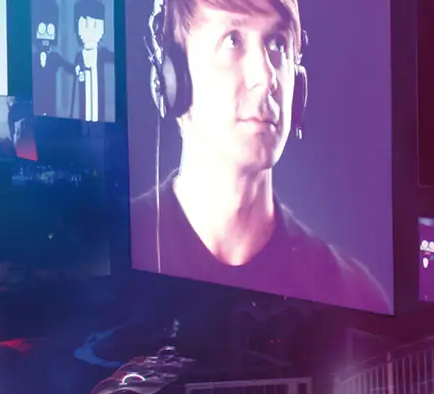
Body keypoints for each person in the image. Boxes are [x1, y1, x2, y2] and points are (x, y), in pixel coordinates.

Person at [131, 0, 389, 313]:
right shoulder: (113, 249)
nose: (267, 78)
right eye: (233, 40)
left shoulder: (352, 294)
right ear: (172, 75)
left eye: (277, 44)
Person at [71, 0, 115, 122]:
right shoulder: (79, 55)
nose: (90, 30)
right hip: (84, 95)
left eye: (95, 24)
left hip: (99, 94)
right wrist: (79, 72)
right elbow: (75, 68)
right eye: (85, 24)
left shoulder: (103, 53)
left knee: (98, 111)